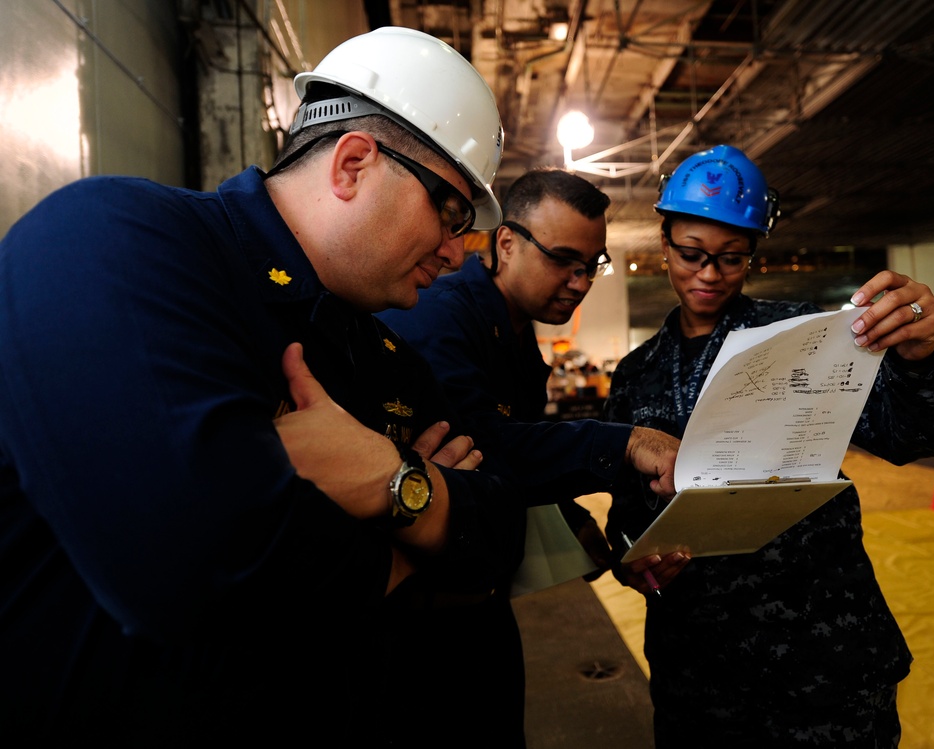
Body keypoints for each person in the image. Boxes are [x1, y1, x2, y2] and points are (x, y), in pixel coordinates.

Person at [0, 27, 548, 745]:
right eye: (449, 215)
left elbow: (498, 531)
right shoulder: (118, 241)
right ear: (353, 163)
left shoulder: (383, 351)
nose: (455, 252)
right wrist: (411, 541)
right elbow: (199, 570)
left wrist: (389, 478)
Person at [604, 144, 934, 747]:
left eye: (731, 258)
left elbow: (925, 434)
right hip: (700, 673)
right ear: (663, 241)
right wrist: (636, 561)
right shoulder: (636, 373)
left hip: (822, 658)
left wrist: (919, 355)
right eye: (691, 254)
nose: (709, 274)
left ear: (753, 254)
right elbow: (623, 515)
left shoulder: (804, 337)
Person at [378, 167, 688, 745]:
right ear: (505, 242)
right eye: (562, 259)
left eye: (589, 266)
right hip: (414, 623)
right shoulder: (442, 317)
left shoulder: (515, 334)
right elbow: (479, 446)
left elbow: (513, 469)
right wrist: (621, 440)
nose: (579, 282)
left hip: (481, 608)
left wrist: (582, 529)